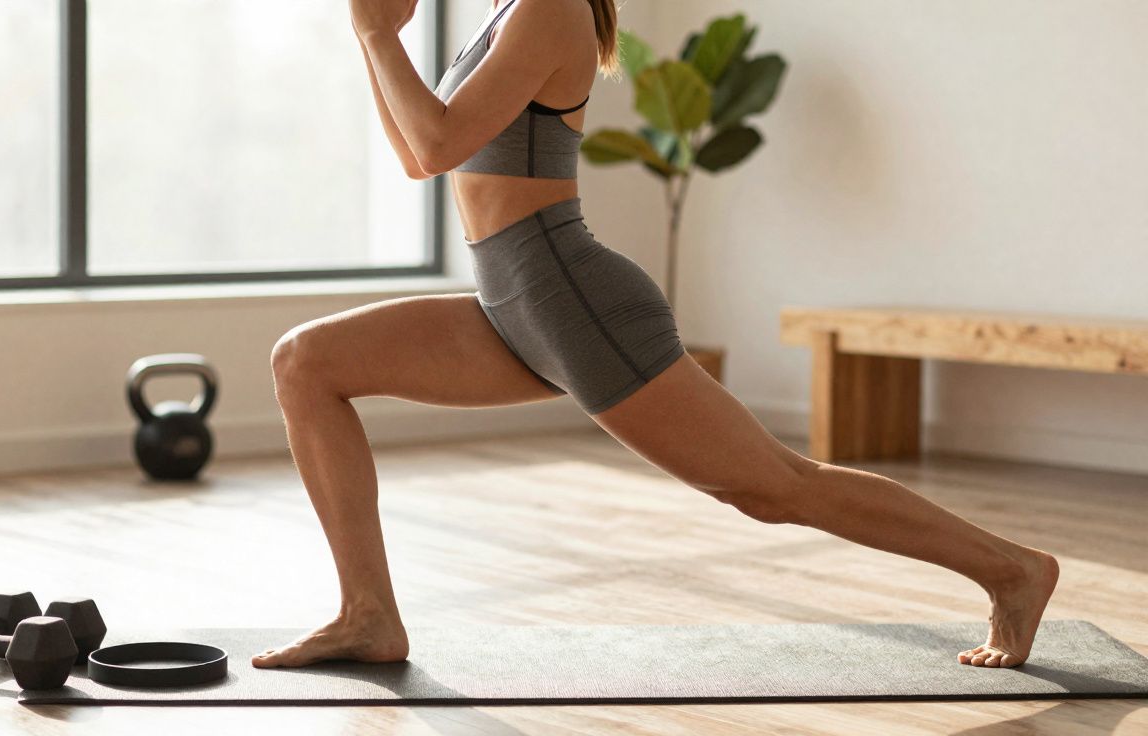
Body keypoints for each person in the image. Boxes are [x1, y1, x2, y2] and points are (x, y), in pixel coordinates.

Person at [252, 0, 1059, 670]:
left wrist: (372, 34)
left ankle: (1012, 570)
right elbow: (412, 150)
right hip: (511, 302)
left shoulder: (550, 7)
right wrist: (382, 40)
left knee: (775, 488)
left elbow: (433, 148)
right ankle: (369, 615)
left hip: (573, 301)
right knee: (306, 362)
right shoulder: (503, 10)